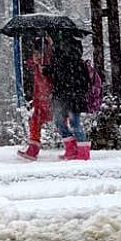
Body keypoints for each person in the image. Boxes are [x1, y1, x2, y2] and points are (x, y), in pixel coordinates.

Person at [43, 31, 92, 161]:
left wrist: (47, 69)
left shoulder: (60, 54)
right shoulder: (70, 55)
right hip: (71, 95)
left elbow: (59, 75)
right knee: (65, 121)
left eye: (49, 36)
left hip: (65, 95)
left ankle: (81, 152)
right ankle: (76, 150)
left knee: (69, 122)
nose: (48, 39)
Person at [17, 36, 53, 161]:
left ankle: (74, 147)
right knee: (35, 123)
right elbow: (30, 62)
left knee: (61, 123)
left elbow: (47, 83)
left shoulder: (46, 65)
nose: (35, 56)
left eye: (37, 53)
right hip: (40, 100)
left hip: (48, 100)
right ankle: (32, 150)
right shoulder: (38, 65)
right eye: (34, 53)